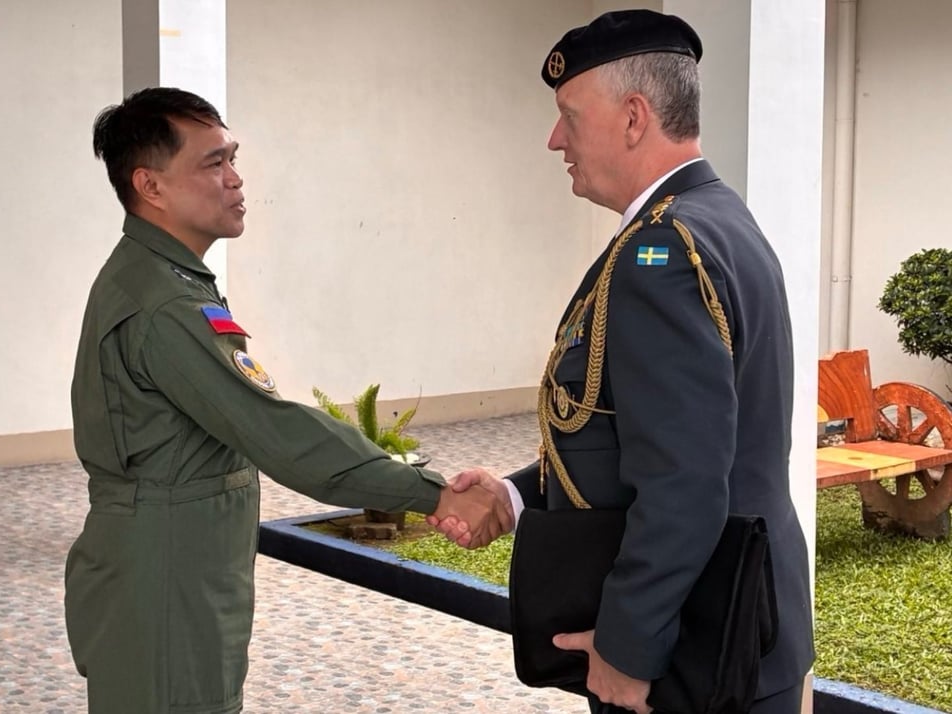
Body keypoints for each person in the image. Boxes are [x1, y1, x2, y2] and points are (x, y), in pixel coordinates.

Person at [66, 86, 509, 714]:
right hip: (167, 573)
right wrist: (433, 491)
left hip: (173, 562)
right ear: (151, 186)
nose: (236, 180)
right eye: (213, 163)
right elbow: (280, 433)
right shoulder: (166, 305)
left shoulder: (157, 277)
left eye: (233, 159)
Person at [430, 9, 814, 714]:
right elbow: (637, 439)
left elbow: (684, 480)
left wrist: (629, 649)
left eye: (569, 116)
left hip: (692, 655)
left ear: (634, 117)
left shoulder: (660, 254)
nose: (555, 140)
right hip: (745, 627)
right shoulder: (719, 218)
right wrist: (515, 497)